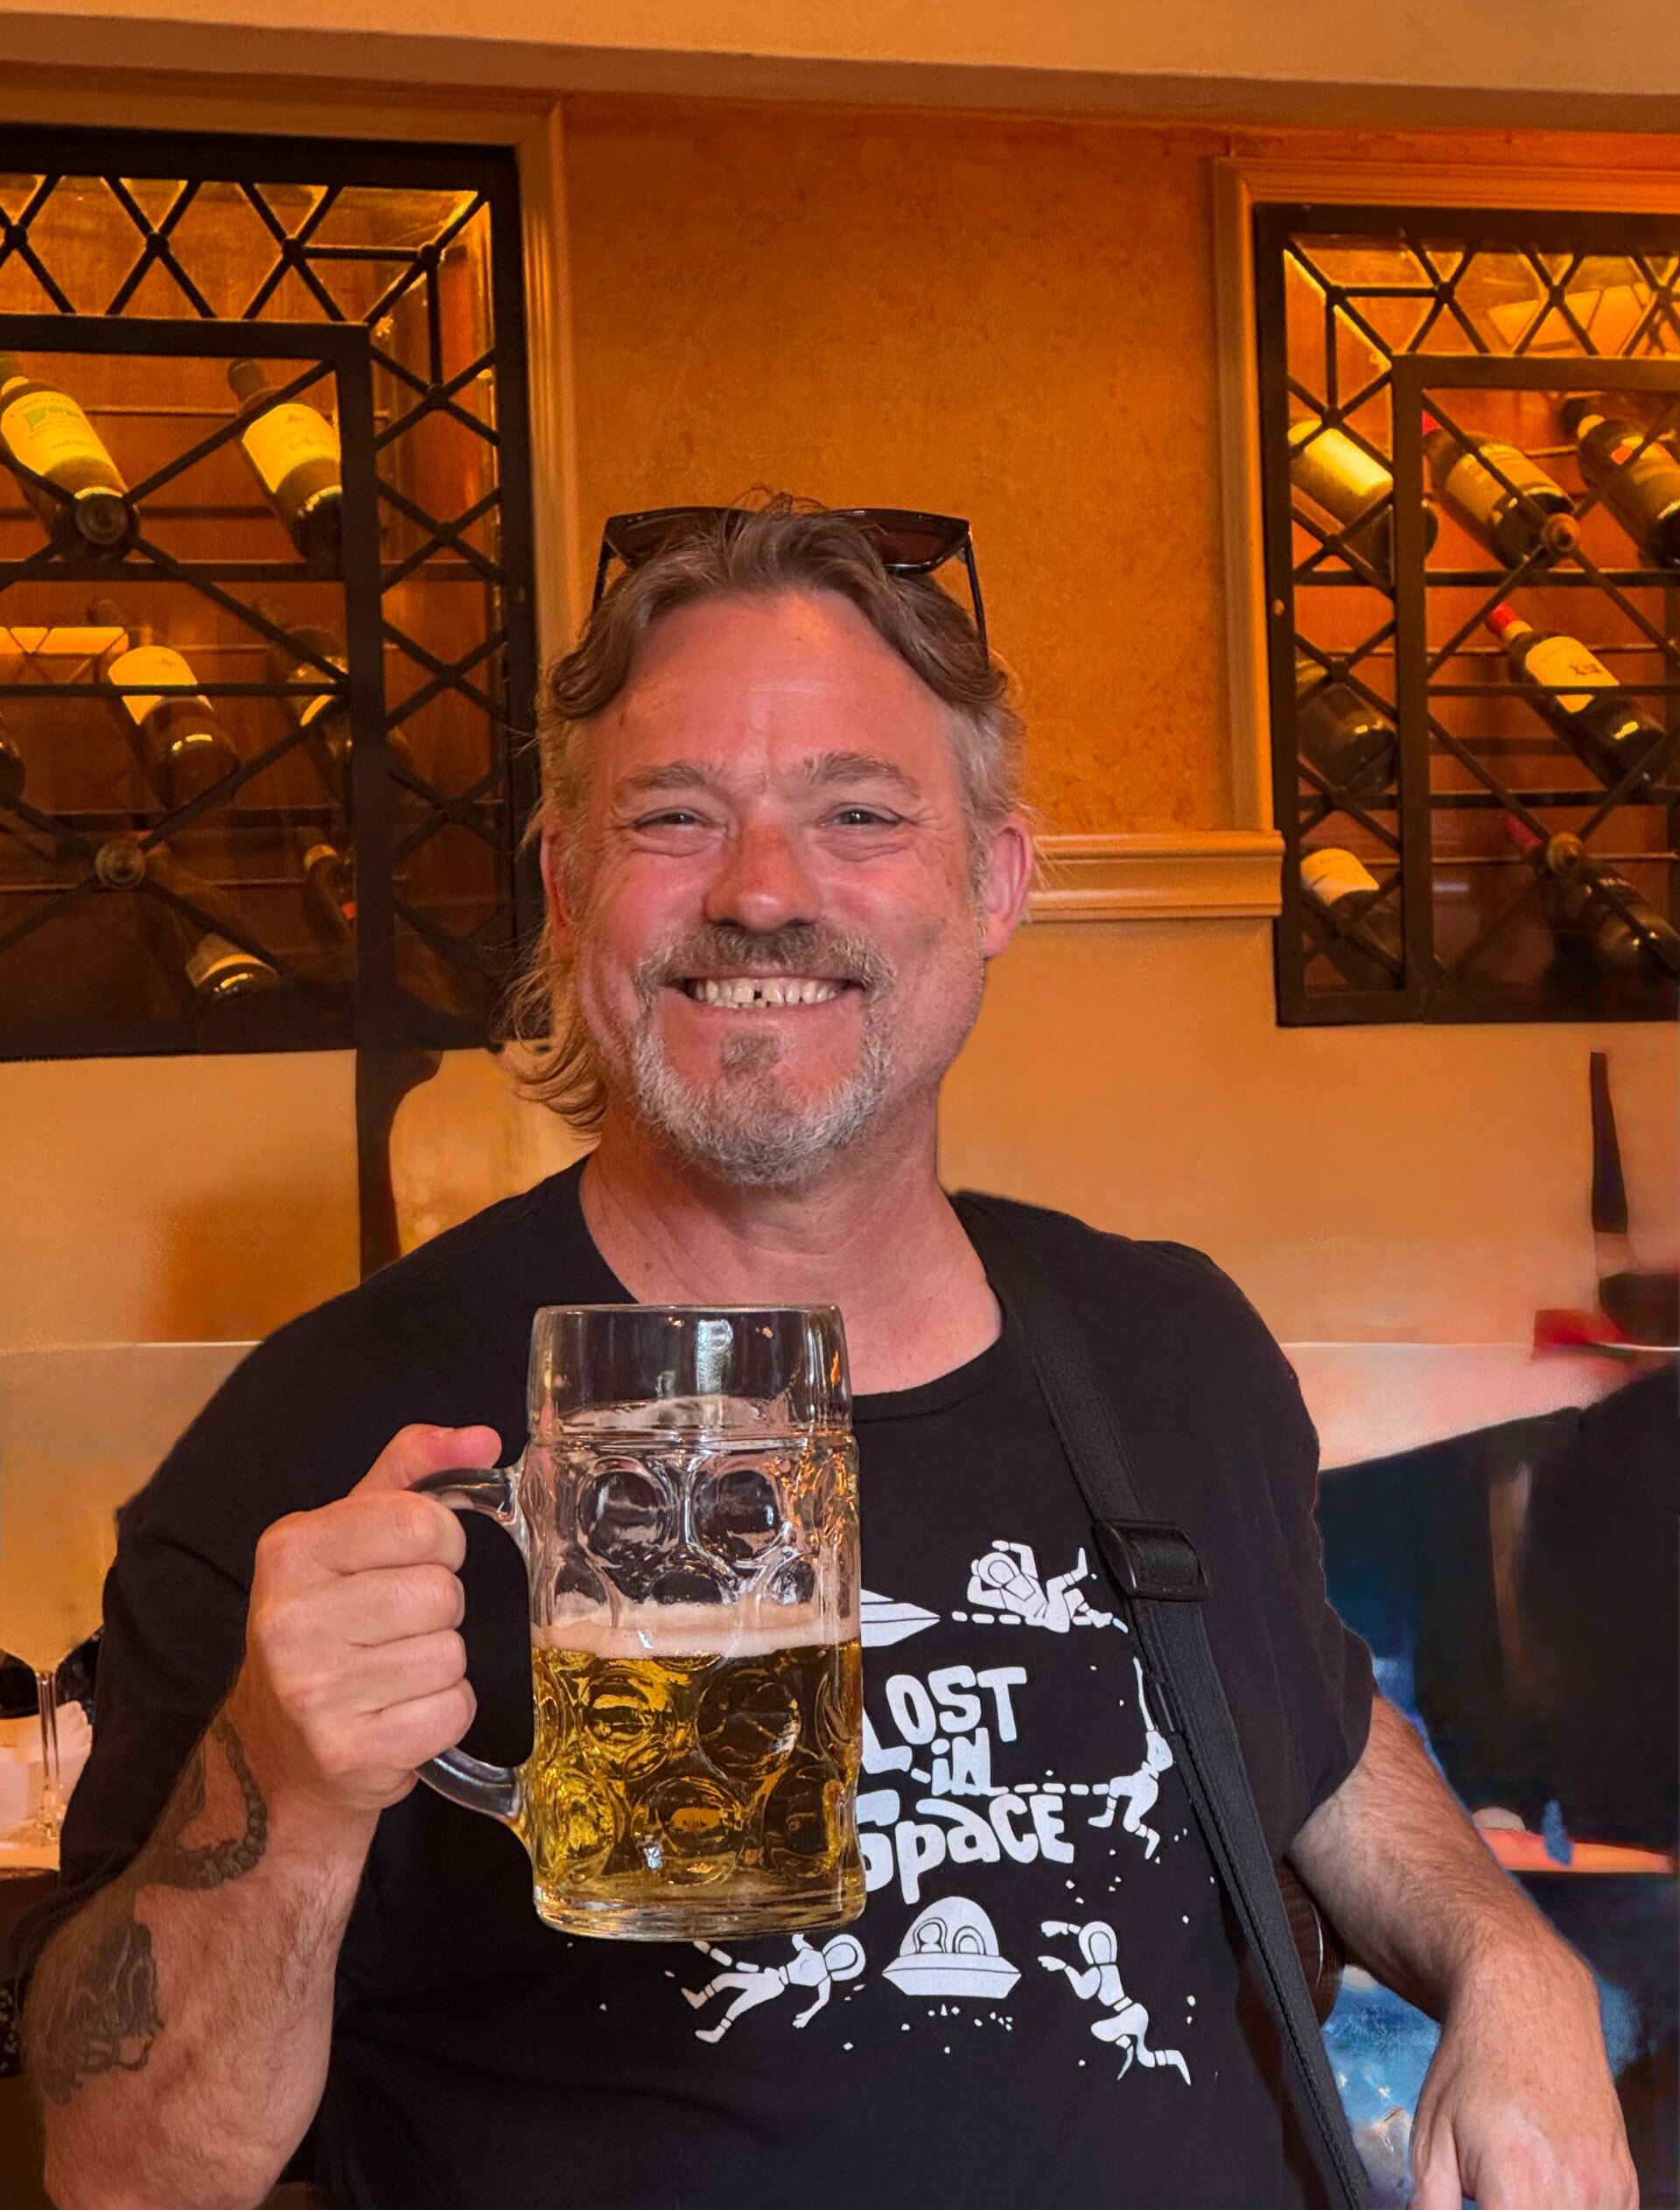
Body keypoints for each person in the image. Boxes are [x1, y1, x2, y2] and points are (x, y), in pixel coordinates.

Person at [11, 502, 1634, 2210]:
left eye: (859, 813)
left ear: (995, 884)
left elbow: (1315, 1722)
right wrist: (286, 1786)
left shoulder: (1166, 1344)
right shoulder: (323, 1431)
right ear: (566, 892)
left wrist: (1508, 1965)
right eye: (673, 816)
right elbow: (124, 2171)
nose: (764, 891)